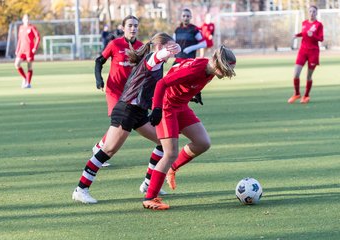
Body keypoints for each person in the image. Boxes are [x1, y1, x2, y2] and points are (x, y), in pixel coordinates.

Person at [72, 32, 181, 204]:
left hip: (138, 112)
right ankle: (81, 189)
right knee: (108, 150)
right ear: (160, 47)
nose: (173, 53)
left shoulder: (157, 63)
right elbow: (162, 54)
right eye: (170, 48)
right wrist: (173, 48)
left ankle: (148, 183)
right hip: (126, 110)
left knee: (163, 141)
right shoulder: (152, 58)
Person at [142, 46, 236, 210]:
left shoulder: (210, 70)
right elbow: (162, 83)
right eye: (226, 70)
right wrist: (157, 108)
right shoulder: (195, 70)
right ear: (217, 63)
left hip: (181, 106)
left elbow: (179, 62)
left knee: (203, 142)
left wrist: (193, 91)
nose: (226, 74)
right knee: (170, 153)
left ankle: (172, 168)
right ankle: (150, 197)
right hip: (167, 107)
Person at [93, 16, 143, 168]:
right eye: (130, 25)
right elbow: (99, 61)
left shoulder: (141, 46)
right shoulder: (115, 44)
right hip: (114, 90)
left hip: (130, 92)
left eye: (135, 25)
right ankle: (101, 151)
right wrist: (99, 80)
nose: (133, 28)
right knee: (118, 121)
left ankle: (99, 147)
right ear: (123, 28)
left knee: (122, 122)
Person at [288, 5, 323, 104]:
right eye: (310, 11)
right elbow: (304, 33)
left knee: (308, 76)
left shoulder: (319, 25)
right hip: (303, 51)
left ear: (316, 13)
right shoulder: (304, 23)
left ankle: (306, 96)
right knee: (296, 74)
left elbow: (321, 38)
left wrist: (314, 36)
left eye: (313, 12)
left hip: (313, 52)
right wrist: (297, 35)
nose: (311, 14)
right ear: (308, 13)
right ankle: (297, 93)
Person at [14, 14, 40, 89]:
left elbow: (38, 37)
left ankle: (28, 83)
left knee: (29, 67)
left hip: (29, 50)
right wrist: (17, 49)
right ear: (23, 20)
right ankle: (25, 78)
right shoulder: (21, 28)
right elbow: (19, 39)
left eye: (28, 19)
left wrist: (35, 47)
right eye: (25, 19)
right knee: (17, 64)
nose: (27, 20)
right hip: (21, 50)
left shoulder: (32, 27)